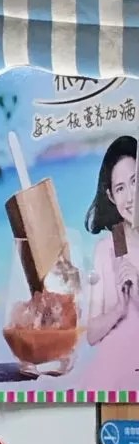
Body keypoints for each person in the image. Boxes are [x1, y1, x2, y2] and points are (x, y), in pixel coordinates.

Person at [83, 136, 139, 385]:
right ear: (111, 196)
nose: (130, 197)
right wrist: (118, 309)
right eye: (120, 188)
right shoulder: (109, 248)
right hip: (114, 381)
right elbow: (92, 334)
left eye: (134, 181)